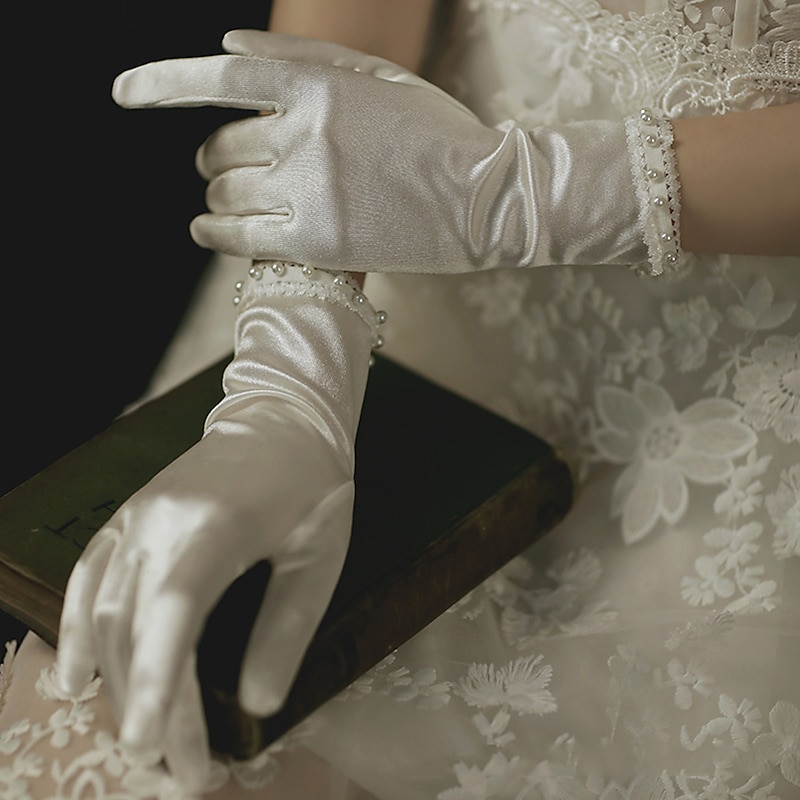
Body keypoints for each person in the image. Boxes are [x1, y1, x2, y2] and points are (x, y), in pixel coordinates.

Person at [1, 0, 798, 798]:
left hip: (733, 440)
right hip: (394, 288)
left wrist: (525, 194)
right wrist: (291, 380)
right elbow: (348, 38)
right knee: (101, 741)